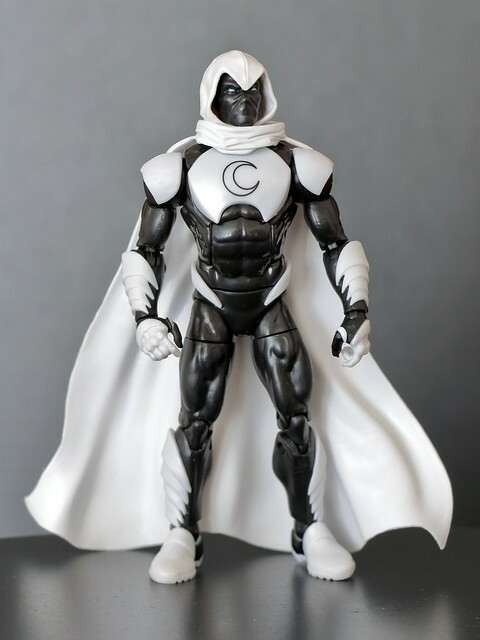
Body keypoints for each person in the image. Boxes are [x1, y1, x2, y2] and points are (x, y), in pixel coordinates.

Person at [26, 51, 452, 585]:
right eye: (232, 91)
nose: (243, 102)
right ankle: (183, 532)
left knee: (297, 416)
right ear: (213, 96)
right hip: (211, 305)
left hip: (271, 300)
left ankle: (309, 528)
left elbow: (336, 243)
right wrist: (145, 317)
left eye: (252, 91)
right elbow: (146, 251)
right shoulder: (178, 169)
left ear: (266, 96)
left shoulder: (297, 165)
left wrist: (357, 307)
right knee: (195, 421)